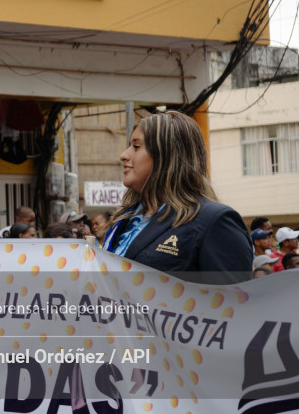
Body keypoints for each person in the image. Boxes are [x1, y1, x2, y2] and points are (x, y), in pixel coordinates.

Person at [103, 111, 252, 284]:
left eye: (136, 147)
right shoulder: (123, 221)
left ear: (168, 155)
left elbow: (232, 302)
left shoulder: (214, 221)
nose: (123, 155)